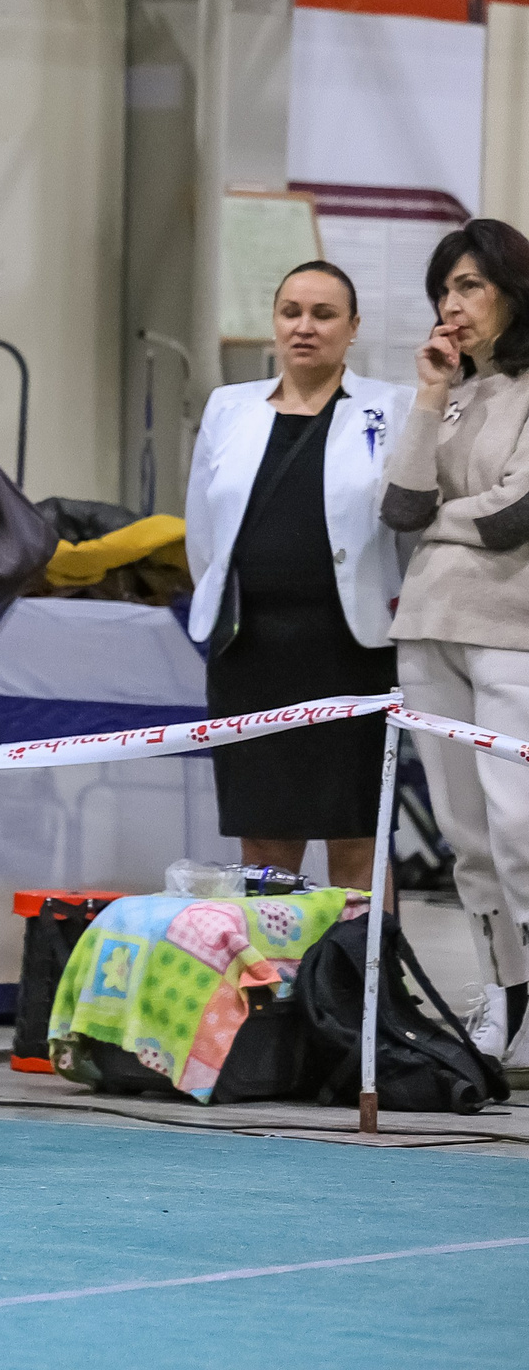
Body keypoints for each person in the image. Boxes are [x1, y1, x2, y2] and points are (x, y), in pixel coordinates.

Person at [186, 260, 411, 886]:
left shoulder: (392, 407)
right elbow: (202, 534)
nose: (304, 327)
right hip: (251, 651)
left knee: (358, 833)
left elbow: (412, 529)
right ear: (275, 323)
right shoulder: (228, 408)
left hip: (352, 647)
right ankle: (275, 981)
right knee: (264, 833)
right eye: (291, 312)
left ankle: (364, 980)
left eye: (323, 314)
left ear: (353, 326)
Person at [383, 219, 529, 1066]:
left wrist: (441, 521)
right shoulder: (453, 392)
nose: (452, 304)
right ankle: (503, 994)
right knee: (467, 836)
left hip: (511, 632)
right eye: (444, 288)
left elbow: (517, 516)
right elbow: (401, 507)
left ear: (512, 289)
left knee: (520, 828)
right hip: (427, 630)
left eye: (469, 285)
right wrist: (430, 395)